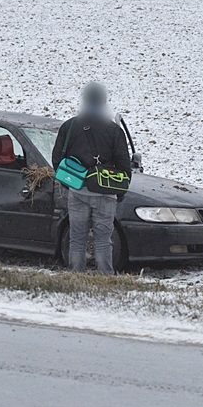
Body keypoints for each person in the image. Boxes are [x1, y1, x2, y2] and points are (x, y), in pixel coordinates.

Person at [52, 82, 131, 274]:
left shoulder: (69, 127)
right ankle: (107, 278)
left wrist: (70, 183)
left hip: (77, 191)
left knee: (77, 238)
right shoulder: (114, 130)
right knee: (104, 240)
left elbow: (57, 160)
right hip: (105, 193)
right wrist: (118, 193)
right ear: (103, 101)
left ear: (84, 100)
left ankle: (76, 276)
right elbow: (124, 167)